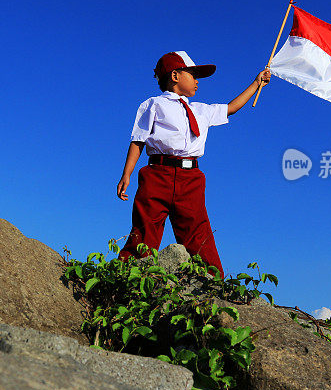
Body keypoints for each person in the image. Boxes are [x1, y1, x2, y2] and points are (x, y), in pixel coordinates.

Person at [116, 51, 271, 277]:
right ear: (175, 76)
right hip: (157, 172)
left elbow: (231, 108)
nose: (197, 80)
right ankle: (127, 276)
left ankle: (212, 282)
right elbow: (138, 140)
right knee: (145, 228)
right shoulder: (153, 105)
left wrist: (256, 84)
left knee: (198, 232)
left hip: (191, 178)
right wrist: (126, 174)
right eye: (193, 74)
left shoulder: (201, 110)